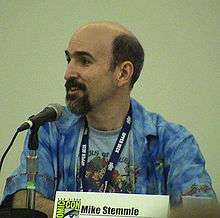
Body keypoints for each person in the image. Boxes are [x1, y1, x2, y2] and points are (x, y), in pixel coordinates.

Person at [1, 21, 216, 217]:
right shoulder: (49, 130)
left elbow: (201, 212)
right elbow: (23, 202)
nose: (68, 73)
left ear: (123, 73)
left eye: (84, 61)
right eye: (69, 59)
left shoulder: (173, 141)